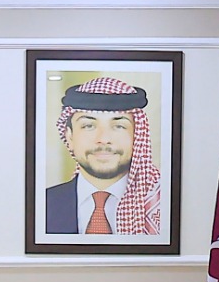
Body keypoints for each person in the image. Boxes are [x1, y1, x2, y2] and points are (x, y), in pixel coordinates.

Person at [41, 77, 163, 236]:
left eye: (119, 126)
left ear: (137, 136)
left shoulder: (162, 204)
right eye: (88, 126)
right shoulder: (40, 205)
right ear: (69, 137)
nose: (104, 139)